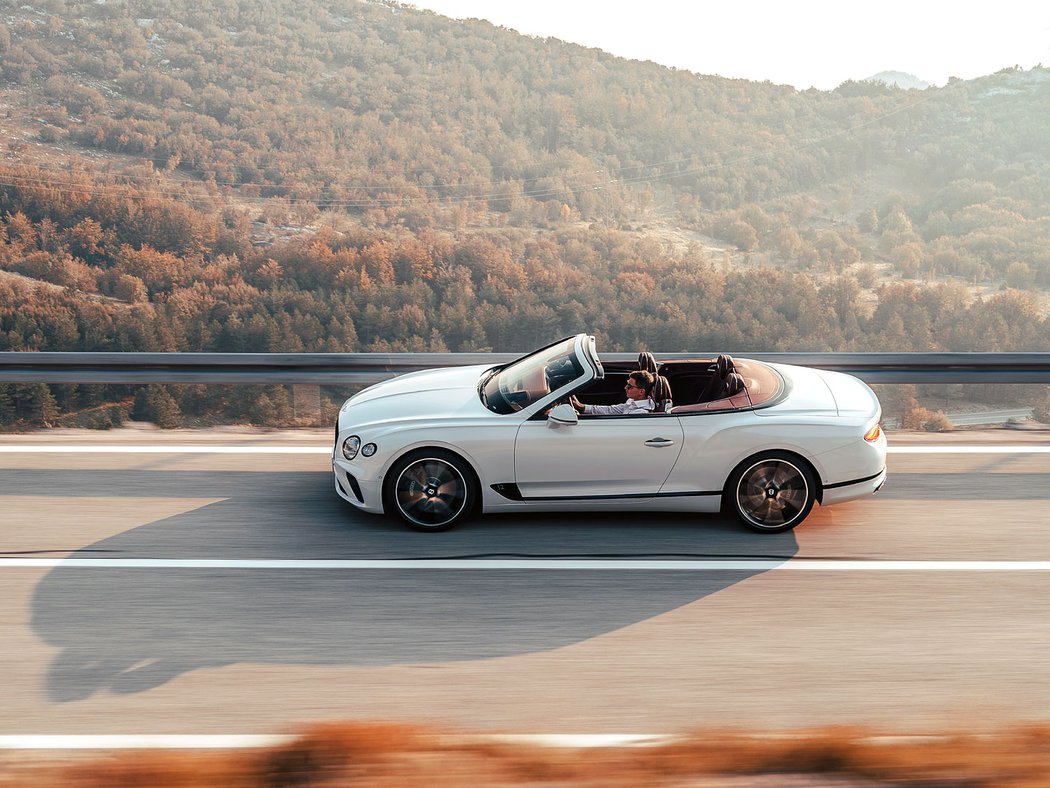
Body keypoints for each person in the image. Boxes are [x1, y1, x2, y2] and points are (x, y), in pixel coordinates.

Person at [570, 370, 656, 415]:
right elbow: (610, 410)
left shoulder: (640, 413)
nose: (625, 387)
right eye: (627, 384)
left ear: (641, 392)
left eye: (630, 386)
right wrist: (581, 407)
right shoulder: (632, 403)